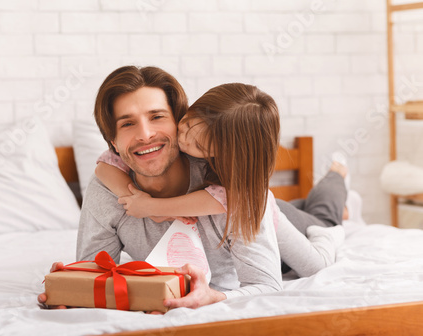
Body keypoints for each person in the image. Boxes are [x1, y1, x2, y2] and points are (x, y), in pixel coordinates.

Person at [95, 82, 346, 278]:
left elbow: (222, 200)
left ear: (221, 153)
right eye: (185, 125)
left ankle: (336, 186)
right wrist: (132, 197)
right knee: (301, 207)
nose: (183, 141)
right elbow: (105, 164)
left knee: (318, 256)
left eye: (198, 145)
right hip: (278, 211)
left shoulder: (237, 186)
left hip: (275, 216)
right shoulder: (175, 143)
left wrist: (155, 208)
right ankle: (307, 204)